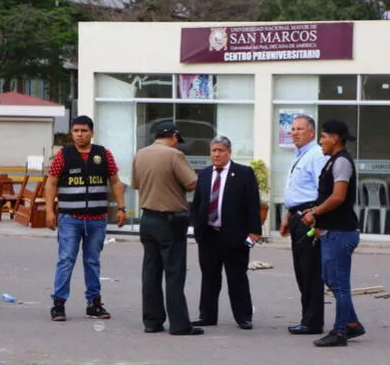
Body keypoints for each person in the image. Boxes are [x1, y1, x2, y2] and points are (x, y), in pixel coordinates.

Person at [45, 115, 126, 322]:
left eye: (83, 131)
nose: (79, 135)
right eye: (76, 131)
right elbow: (52, 183)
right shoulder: (64, 155)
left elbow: (116, 181)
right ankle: (58, 304)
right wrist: (49, 211)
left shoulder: (103, 154)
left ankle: (94, 303)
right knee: (66, 260)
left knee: (92, 261)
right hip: (70, 219)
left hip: (97, 219)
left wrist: (121, 207)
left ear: (92, 132)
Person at [131, 121, 203, 336]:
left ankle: (152, 321)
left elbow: (135, 184)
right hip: (170, 221)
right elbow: (191, 183)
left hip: (148, 219)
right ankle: (180, 324)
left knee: (150, 272)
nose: (177, 144)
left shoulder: (140, 155)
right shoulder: (174, 156)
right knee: (174, 273)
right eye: (176, 141)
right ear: (173, 136)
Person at [300, 119, 365, 347]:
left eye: (324, 137)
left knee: (339, 284)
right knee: (330, 278)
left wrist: (315, 212)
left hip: (341, 232)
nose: (320, 141)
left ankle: (339, 332)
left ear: (335, 138)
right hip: (332, 231)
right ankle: (352, 324)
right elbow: (327, 195)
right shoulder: (331, 162)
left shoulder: (342, 163)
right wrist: (314, 212)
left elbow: (338, 197)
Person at [190, 136, 261, 330]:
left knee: (237, 277)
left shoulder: (244, 173)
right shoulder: (204, 174)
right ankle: (207, 315)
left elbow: (253, 204)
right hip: (209, 235)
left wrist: (254, 231)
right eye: (213, 150)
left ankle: (244, 317)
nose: (217, 154)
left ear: (229, 152)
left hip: (234, 236)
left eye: (221, 150)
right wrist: (197, 229)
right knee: (209, 278)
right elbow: (196, 204)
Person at [278, 114, 328, 335]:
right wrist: (288, 216)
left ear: (312, 133)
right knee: (301, 271)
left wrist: (317, 220)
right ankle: (307, 317)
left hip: (310, 217)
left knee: (310, 272)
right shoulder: (299, 156)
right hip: (298, 216)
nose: (294, 133)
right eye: (293, 129)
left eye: (300, 129)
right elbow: (297, 192)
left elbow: (323, 190)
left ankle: (313, 322)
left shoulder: (316, 155)